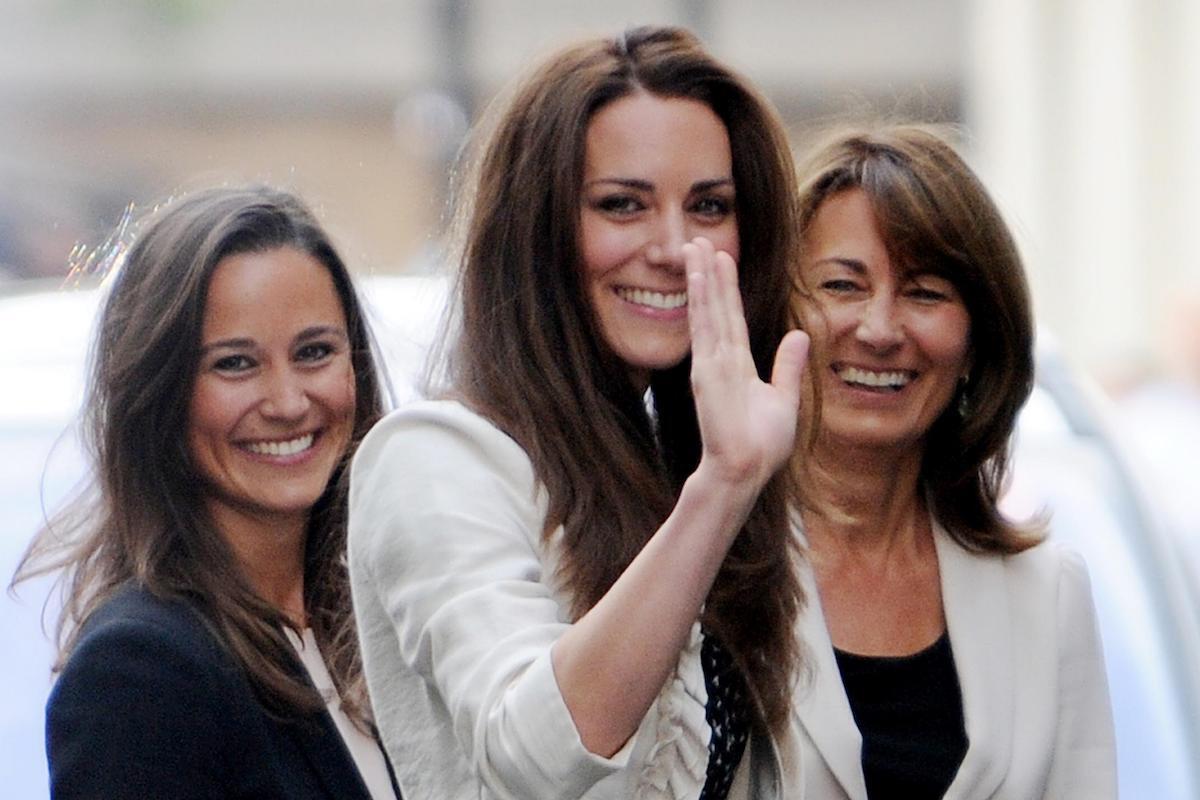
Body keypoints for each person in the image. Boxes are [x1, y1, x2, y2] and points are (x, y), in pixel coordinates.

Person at [348, 26, 810, 799]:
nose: (672, 245)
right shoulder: (434, 458)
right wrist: (722, 487)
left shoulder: (692, 456)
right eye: (622, 205)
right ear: (537, 229)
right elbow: (532, 756)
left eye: (709, 206)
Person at [14, 186, 401, 800]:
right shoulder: (140, 670)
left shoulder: (370, 628)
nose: (288, 402)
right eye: (235, 364)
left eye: (314, 352)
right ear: (157, 392)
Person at [787, 125, 1117, 799]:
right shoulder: (698, 569)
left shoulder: (1045, 596)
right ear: (779, 313)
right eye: (843, 285)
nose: (880, 330)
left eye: (926, 293)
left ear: (977, 341)